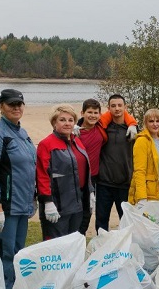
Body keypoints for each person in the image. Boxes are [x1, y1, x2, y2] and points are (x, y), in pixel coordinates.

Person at [0, 88, 37, 289]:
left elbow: (29, 168)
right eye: (11, 104)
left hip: (21, 205)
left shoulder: (22, 133)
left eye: (19, 104)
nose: (16, 107)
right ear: (0, 106)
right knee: (4, 254)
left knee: (17, 253)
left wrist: (33, 197)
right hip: (4, 207)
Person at [36, 104, 93, 239]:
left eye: (70, 120)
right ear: (54, 122)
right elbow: (42, 175)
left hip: (78, 204)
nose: (67, 123)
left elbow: (84, 169)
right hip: (58, 205)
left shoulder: (77, 142)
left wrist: (90, 191)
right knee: (57, 246)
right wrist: (47, 201)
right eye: (62, 120)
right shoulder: (46, 144)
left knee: (75, 242)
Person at [95, 94, 136, 231]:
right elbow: (88, 124)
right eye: (113, 106)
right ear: (108, 108)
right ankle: (101, 248)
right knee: (101, 220)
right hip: (104, 183)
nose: (117, 108)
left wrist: (133, 125)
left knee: (126, 221)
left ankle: (125, 249)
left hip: (125, 183)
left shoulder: (133, 130)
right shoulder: (102, 127)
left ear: (125, 107)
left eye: (120, 105)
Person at [129, 108, 159, 205]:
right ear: (145, 123)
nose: (155, 124)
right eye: (151, 121)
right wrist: (142, 198)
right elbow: (139, 171)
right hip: (149, 194)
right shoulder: (142, 141)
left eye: (158, 121)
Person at [75, 98, 105, 235]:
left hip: (93, 179)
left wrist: (132, 124)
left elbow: (118, 113)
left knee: (87, 213)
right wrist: (74, 126)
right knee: (75, 212)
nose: (92, 115)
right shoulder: (75, 132)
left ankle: (80, 240)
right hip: (76, 179)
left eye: (95, 113)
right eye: (89, 112)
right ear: (82, 113)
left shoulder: (100, 128)